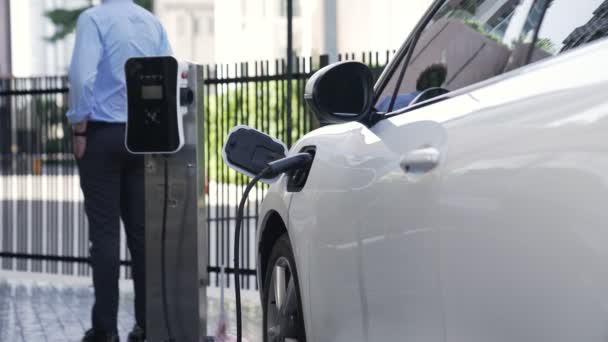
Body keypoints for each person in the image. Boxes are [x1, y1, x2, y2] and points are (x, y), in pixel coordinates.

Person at [65, 1, 173, 341]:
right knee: (143, 237)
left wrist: (79, 127)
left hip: (101, 136)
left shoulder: (93, 19)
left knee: (105, 236)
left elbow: (83, 76)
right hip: (142, 137)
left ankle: (105, 329)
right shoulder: (150, 22)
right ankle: (147, 324)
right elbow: (169, 71)